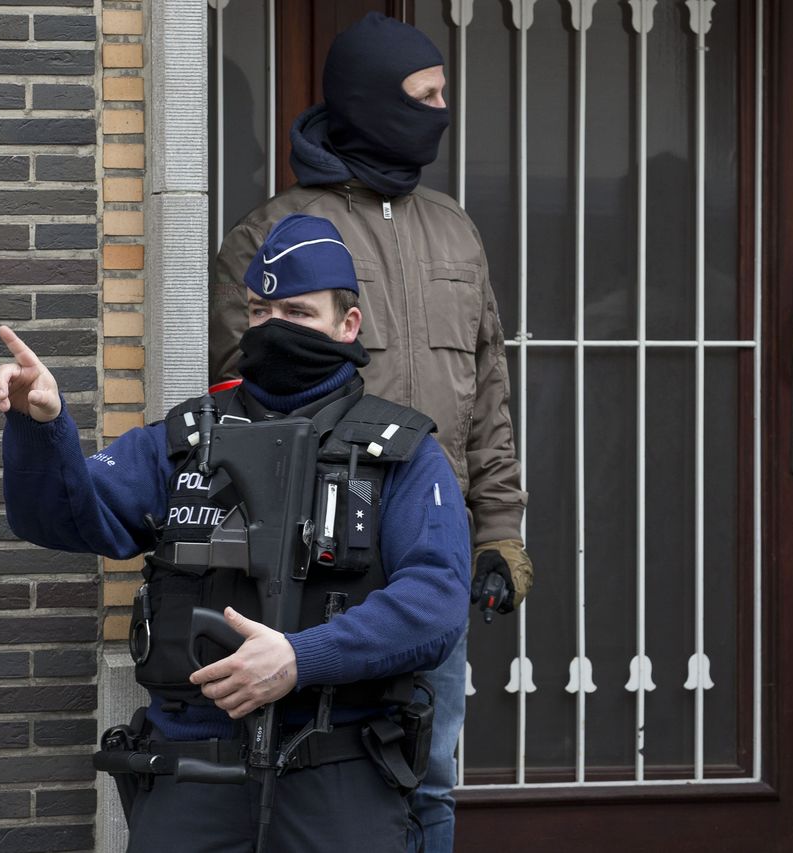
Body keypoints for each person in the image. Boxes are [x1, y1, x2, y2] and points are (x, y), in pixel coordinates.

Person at [0, 214, 470, 853]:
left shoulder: (404, 453)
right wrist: (39, 424)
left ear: (347, 324)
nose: (274, 327)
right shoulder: (187, 439)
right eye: (260, 310)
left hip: (338, 774)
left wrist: (302, 658)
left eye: (298, 312)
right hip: (192, 770)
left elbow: (436, 604)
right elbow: (58, 517)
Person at [208, 15, 531, 849]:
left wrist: (498, 530)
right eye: (424, 97)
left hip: (430, 559)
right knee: (320, 780)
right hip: (319, 570)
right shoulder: (274, 237)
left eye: (443, 96)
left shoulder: (454, 229)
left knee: (431, 777)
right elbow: (239, 409)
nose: (441, 112)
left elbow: (486, 395)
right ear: (368, 101)